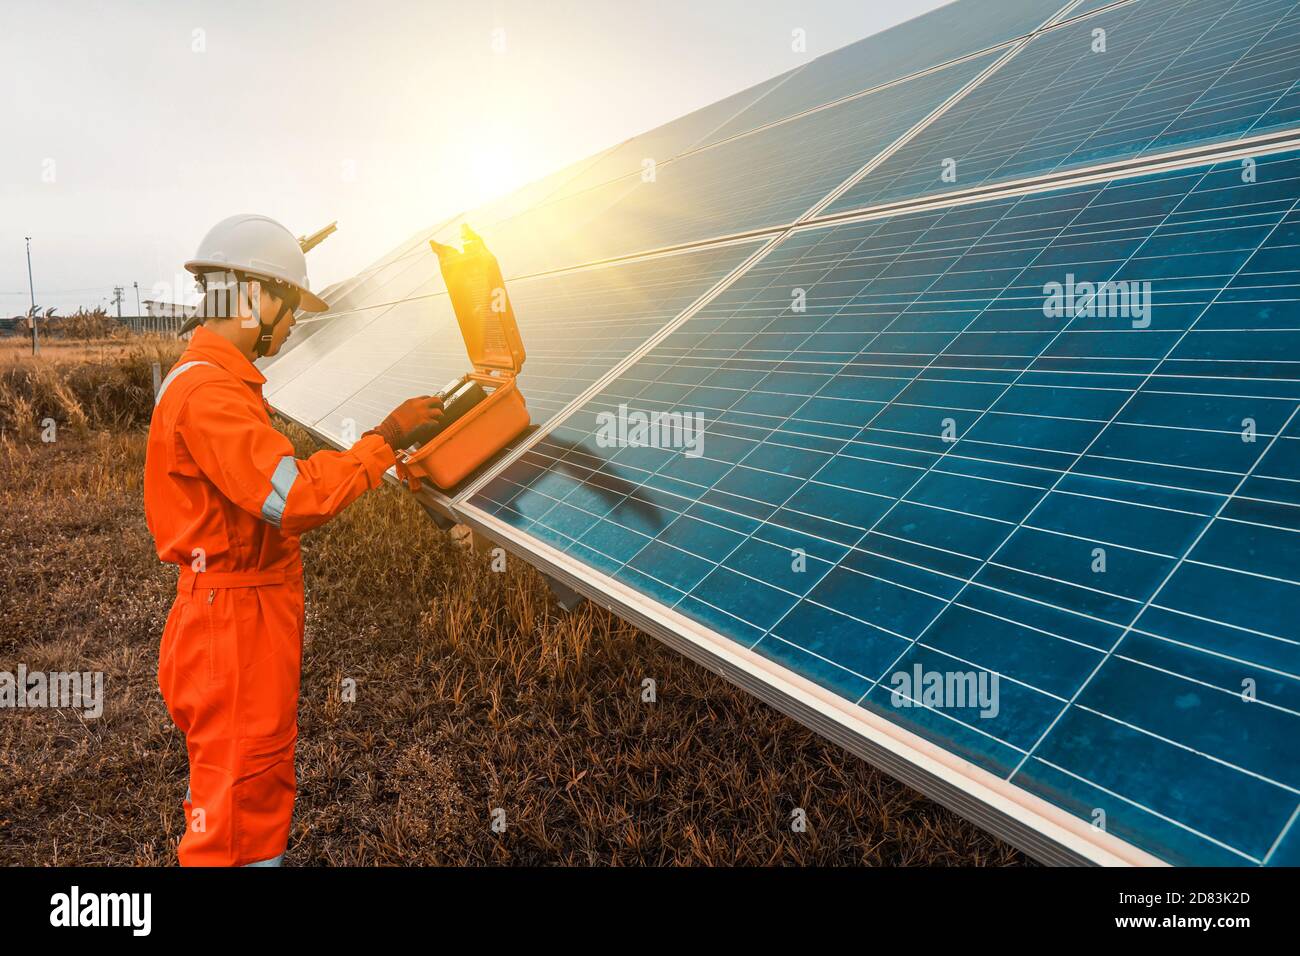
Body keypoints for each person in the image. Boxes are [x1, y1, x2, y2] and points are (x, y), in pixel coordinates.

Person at [143, 214, 443, 866]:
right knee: (231, 813)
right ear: (254, 297)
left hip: (237, 616)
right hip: (233, 627)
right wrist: (383, 441)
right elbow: (294, 497)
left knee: (253, 784)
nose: (292, 326)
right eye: (290, 308)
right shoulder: (210, 393)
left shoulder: (211, 379)